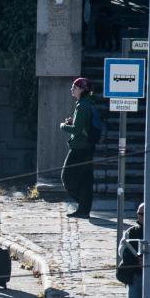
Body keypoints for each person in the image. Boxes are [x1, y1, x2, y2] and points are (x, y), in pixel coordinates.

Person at [58, 77, 102, 218]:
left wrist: (63, 126)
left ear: (82, 90)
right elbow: (82, 125)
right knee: (85, 179)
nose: (72, 89)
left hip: (80, 147)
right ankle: (84, 209)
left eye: (75, 87)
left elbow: (76, 130)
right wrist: (73, 122)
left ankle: (83, 206)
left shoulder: (82, 106)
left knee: (67, 177)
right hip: (88, 146)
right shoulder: (88, 104)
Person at [120, 203, 145, 298]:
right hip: (136, 275)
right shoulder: (131, 231)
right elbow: (122, 251)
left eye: (142, 214)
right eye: (139, 214)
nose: (140, 217)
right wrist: (137, 259)